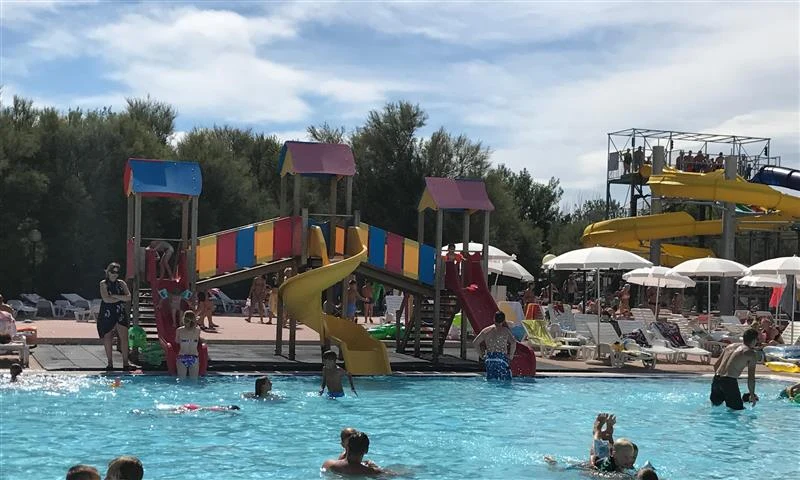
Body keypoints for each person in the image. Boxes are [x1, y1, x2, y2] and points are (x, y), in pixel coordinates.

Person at [98, 263, 136, 371]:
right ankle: (110, 363)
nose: (115, 274)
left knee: (124, 337)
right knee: (108, 336)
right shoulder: (103, 283)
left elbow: (128, 297)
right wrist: (121, 298)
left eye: (117, 272)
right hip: (107, 311)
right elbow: (106, 299)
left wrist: (114, 296)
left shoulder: (121, 283)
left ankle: (125, 363)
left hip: (120, 311)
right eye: (112, 272)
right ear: (108, 272)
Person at [710, 328, 760, 410]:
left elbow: (716, 365)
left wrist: (720, 383)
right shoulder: (751, 354)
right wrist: (752, 395)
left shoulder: (730, 346)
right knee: (738, 411)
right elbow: (751, 378)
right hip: (729, 381)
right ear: (754, 340)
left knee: (716, 408)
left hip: (716, 379)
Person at [472, 311, 517, 380]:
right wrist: (511, 356)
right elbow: (513, 343)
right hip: (501, 359)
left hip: (489, 359)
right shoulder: (505, 331)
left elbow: (475, 343)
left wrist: (481, 355)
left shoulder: (486, 330)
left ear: (494, 319)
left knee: (491, 381)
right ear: (504, 320)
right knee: (506, 382)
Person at [176, 311, 201, 380]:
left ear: (183, 319)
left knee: (181, 381)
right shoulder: (198, 330)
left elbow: (177, 341)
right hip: (194, 357)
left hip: (182, 357)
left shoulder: (179, 330)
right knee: (194, 382)